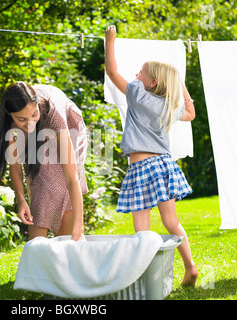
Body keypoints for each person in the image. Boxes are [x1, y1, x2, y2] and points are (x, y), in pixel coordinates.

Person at [104, 25, 198, 286]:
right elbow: (190, 114)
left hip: (142, 167)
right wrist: (180, 84)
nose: (136, 75)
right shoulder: (169, 105)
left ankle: (146, 279)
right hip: (163, 165)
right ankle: (190, 267)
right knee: (172, 223)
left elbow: (112, 72)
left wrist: (109, 41)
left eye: (141, 73)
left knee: (142, 232)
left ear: (151, 82)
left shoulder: (137, 93)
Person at [0, 82, 88, 241]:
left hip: (65, 126)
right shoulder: (7, 121)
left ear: (37, 106)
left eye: (33, 115)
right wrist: (21, 200)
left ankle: (66, 241)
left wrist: (79, 226)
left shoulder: (53, 112)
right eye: (22, 118)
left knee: (61, 181)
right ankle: (36, 247)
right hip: (33, 134)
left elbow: (72, 177)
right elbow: (15, 165)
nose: (30, 122)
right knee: (41, 182)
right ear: (9, 113)